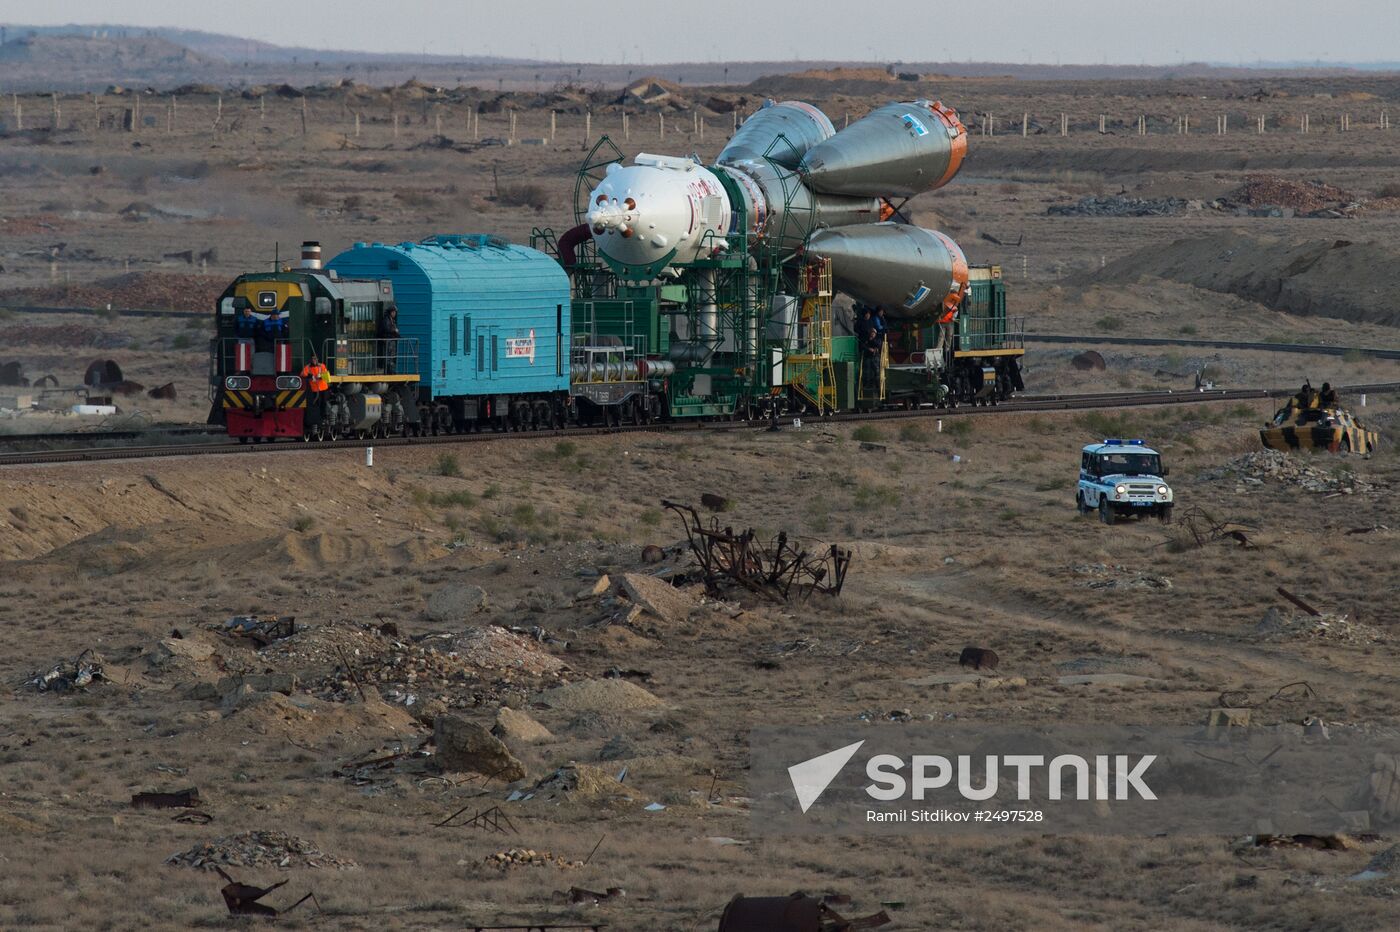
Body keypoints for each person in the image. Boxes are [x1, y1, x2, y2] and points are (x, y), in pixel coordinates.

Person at [379, 305, 400, 374]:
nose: (394, 314)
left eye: (395, 312)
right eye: (393, 312)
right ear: (390, 312)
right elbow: (387, 329)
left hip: (391, 341)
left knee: (392, 356)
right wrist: (394, 330)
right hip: (388, 341)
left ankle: (391, 370)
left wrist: (397, 335)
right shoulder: (386, 319)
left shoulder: (392, 320)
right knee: (388, 357)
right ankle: (388, 371)